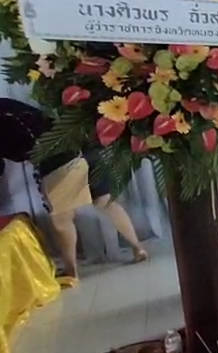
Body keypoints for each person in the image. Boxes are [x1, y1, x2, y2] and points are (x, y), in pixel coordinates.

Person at [1, 98, 148, 284]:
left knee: (61, 220)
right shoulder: (5, 104)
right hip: (82, 143)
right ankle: (138, 248)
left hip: (57, 158)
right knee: (105, 202)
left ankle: (71, 271)